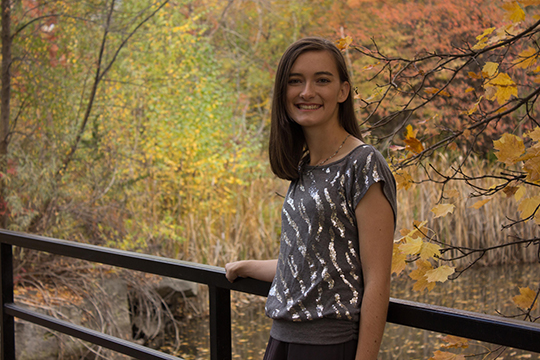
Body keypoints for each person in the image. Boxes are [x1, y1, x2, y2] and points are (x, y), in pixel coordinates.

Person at [225, 37, 397, 360]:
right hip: (281, 340)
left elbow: (376, 280)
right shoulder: (304, 169)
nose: (307, 92)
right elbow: (311, 265)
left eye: (322, 80)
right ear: (284, 92)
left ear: (343, 91)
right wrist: (247, 266)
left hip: (327, 347)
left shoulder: (362, 164)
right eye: (295, 81)